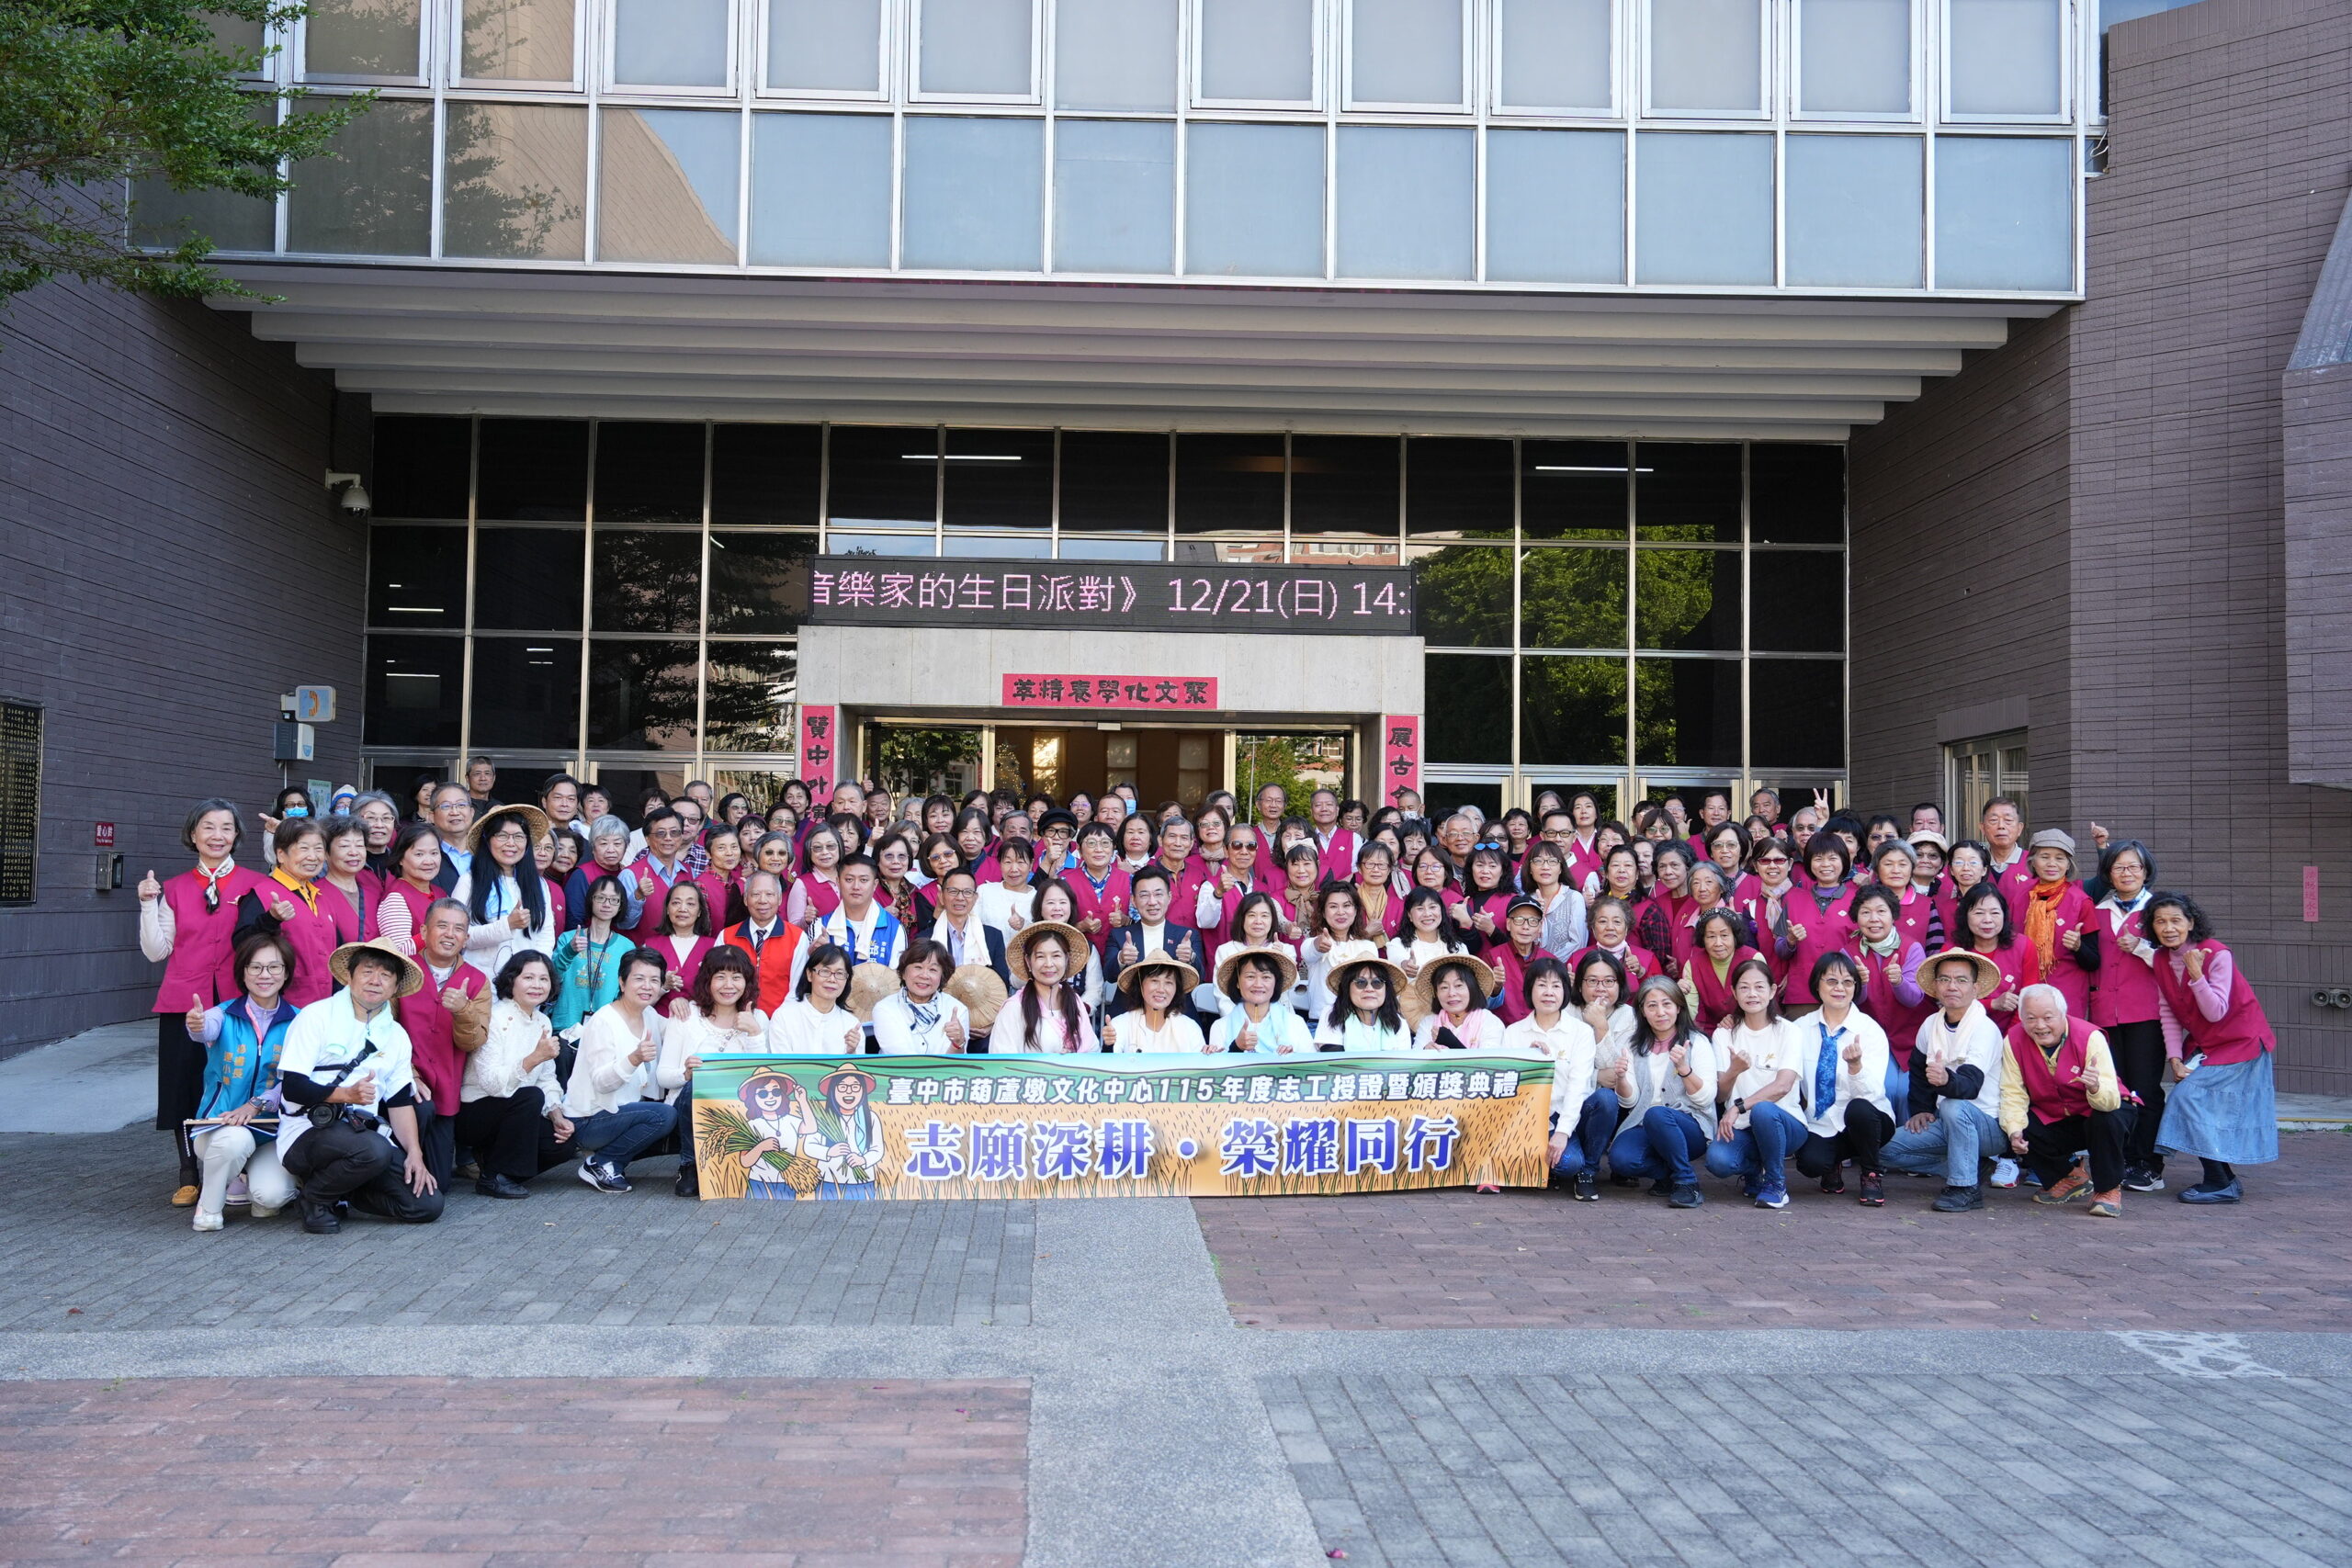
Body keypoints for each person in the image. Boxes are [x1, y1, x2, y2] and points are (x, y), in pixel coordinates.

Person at [139, 797, 268, 1205]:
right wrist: (147, 905)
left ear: (237, 835)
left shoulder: (255, 884)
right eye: (208, 827)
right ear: (193, 835)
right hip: (183, 1001)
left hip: (237, 1002)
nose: (218, 835)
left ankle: (236, 1169)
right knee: (184, 1085)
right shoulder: (174, 888)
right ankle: (187, 1172)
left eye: (227, 828)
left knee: (236, 1080)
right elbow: (156, 951)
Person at [274, 939, 445, 1234]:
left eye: (386, 975)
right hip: (306, 1131)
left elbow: (399, 1101)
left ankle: (343, 1193)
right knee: (374, 1150)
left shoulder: (396, 1035)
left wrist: (415, 1153)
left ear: (395, 988)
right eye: (367, 971)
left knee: (427, 1205)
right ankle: (314, 1199)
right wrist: (346, 1095)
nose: (375, 980)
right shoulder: (315, 1016)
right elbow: (293, 1087)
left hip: (361, 1135)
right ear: (350, 977)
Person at [2147, 893, 2279, 1204]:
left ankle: (2220, 1180)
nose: (2168, 928)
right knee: (2195, 1102)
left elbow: (2216, 1011)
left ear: (2191, 923)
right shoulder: (2160, 959)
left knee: (2188, 1098)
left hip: (2241, 1041)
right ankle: (2224, 1180)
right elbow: (2168, 1012)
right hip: (2208, 1044)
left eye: (2176, 920)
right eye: (2160, 921)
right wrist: (2174, 1058)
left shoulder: (2217, 954)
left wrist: (2196, 974)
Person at [182, 931, 300, 1230]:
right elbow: (204, 1030)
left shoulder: (300, 1022)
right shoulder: (222, 1015)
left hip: (270, 1132)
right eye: (255, 967)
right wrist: (196, 1024)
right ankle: (209, 1209)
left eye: (274, 967)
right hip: (218, 1128)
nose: (265, 975)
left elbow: (299, 1077)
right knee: (236, 1140)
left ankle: (246, 1179)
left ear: (286, 973)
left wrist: (257, 1103)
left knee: (271, 1198)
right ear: (243, 972)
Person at [1876, 950, 2009, 1212]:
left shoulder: (1984, 1029)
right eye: (1945, 979)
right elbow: (1918, 1072)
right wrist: (1921, 1110)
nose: (1952, 986)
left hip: (1989, 1126)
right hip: (1946, 1122)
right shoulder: (1930, 1024)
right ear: (1936, 986)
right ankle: (1970, 1168)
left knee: (1953, 1105)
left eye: (1961, 980)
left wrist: (1946, 1079)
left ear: (1975, 988)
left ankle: (1964, 1188)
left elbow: (1970, 1086)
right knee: (1883, 1149)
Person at [2000, 984, 2137, 1218]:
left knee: (2106, 1118)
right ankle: (2068, 1177)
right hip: (2056, 1114)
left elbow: (2110, 1100)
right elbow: (2013, 1092)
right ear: (2021, 1018)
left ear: (2063, 1014)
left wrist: (2094, 1087)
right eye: (2031, 1018)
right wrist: (2014, 1131)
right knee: (2017, 1123)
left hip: (2101, 1109)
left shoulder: (2090, 1036)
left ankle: (2107, 1189)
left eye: (2048, 1017)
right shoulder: (2013, 1040)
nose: (2040, 1026)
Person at [458, 951, 577, 1199]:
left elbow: (546, 1078)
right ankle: (493, 1179)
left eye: (543, 979)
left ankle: (497, 1169)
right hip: (476, 1111)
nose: (537, 985)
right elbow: (493, 1084)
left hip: (519, 1113)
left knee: (563, 1145)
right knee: (530, 1097)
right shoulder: (494, 1017)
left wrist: (556, 1115)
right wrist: (534, 1058)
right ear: (511, 980)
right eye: (528, 978)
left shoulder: (543, 1022)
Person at [564, 949, 681, 1193]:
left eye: (654, 980)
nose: (647, 986)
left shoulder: (649, 1014)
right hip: (589, 1119)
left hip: (620, 1113)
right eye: (639, 978)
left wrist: (683, 1005)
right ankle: (601, 1163)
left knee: (672, 1112)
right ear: (622, 981)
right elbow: (601, 1082)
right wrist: (634, 1058)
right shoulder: (604, 1021)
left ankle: (610, 1161)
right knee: (663, 1116)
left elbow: (678, 1032)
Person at [2087, 840, 2168, 1190]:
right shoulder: (2096, 910)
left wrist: (2144, 948)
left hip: (2147, 1013)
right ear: (2108, 873)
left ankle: (2147, 1163)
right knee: (2114, 1089)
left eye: (2134, 866)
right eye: (2118, 867)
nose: (2126, 873)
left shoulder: (2159, 910)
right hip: (2104, 1013)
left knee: (2146, 1089)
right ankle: (2119, 1160)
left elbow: (2176, 959)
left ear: (2146, 871)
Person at [660, 945, 769, 1195]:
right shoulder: (686, 1015)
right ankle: (690, 1165)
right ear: (707, 980)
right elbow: (663, 1076)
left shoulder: (758, 1018)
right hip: (690, 1108)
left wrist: (754, 1033)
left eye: (736, 977)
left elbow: (764, 1079)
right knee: (697, 1084)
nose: (728, 985)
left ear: (747, 982)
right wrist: (685, 1074)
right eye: (720, 977)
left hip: (739, 1109)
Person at [1699, 958, 1807, 1209]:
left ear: (1772, 990)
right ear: (1734, 992)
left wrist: (1739, 1107)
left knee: (1763, 1110)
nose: (1752, 994)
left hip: (1785, 1123)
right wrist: (1734, 1071)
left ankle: (1776, 1184)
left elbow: (1783, 1086)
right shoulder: (1724, 1034)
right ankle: (1754, 1171)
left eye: (1759, 987)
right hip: (1741, 1128)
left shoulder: (1789, 1031)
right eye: (1744, 987)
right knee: (1718, 1161)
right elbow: (1720, 1095)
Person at [398, 897, 491, 1188]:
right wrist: (409, 1073)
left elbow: (473, 1042)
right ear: (424, 931)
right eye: (442, 926)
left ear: (466, 938)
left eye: (459, 929)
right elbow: (381, 1031)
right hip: (402, 1086)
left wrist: (463, 1010)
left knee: (441, 1183)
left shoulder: (477, 980)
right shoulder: (401, 971)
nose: (450, 934)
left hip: (446, 1092)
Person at [1505, 957, 1613, 1201]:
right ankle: (1564, 1163)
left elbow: (1578, 1086)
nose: (1549, 992)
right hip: (1533, 1118)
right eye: (1541, 985)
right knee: (1566, 1164)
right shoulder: (1513, 1033)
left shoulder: (1581, 1031)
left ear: (1565, 991)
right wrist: (1529, 1061)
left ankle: (1587, 1172)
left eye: (1556, 986)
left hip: (1572, 1113)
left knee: (1606, 1099)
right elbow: (1509, 1089)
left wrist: (1563, 1132)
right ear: (1529, 989)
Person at [1605, 976, 1719, 1208]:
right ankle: (1667, 1175)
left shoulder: (1697, 1042)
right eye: (1652, 1005)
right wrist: (1621, 1077)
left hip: (1689, 1125)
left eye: (1667, 1004)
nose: (1660, 1012)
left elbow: (1706, 1098)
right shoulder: (1633, 1045)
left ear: (1679, 1007)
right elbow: (1629, 1102)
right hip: (1645, 1123)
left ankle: (1687, 1181)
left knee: (1657, 1114)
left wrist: (1685, 1070)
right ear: (1643, 1011)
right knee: (1621, 1160)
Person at [232, 818, 351, 1008]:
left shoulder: (321, 898)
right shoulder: (261, 894)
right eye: (304, 848)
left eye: (318, 849)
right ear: (281, 854)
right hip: (281, 1008)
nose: (313, 857)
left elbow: (337, 954)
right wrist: (271, 919)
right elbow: (240, 944)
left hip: (324, 1008)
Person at [454, 803, 556, 977]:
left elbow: (545, 934)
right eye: (502, 836)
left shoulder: (539, 884)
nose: (511, 843)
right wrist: (507, 925)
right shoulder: (469, 881)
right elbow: (461, 935)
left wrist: (535, 974)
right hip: (480, 982)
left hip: (524, 984)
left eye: (519, 836)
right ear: (487, 840)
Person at [2014, 829, 2095, 1017]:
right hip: (2027, 986)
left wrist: (2078, 947)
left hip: (2067, 991)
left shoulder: (2081, 901)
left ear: (2068, 864)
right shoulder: (2021, 898)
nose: (2052, 863)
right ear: (2032, 861)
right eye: (2045, 857)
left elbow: (2094, 961)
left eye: (2059, 858)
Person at [993, 922, 1100, 1054]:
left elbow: (1092, 1051)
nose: (1049, 964)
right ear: (1028, 961)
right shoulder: (1014, 1008)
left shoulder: (1075, 1002)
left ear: (1067, 959)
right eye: (1040, 957)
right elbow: (1003, 1061)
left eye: (1056, 956)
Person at [872, 939, 972, 1055]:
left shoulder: (957, 1010)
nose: (924, 975)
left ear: (942, 976)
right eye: (918, 967)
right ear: (903, 973)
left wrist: (957, 1044)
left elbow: (954, 1063)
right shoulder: (885, 1009)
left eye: (933, 969)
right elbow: (900, 1058)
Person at [1677, 907, 1762, 1035]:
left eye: (1724, 935)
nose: (1718, 943)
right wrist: (1676, 997)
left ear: (1735, 936)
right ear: (1703, 938)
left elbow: (1763, 1001)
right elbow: (1690, 1010)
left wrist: (1739, 1018)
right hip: (1711, 1032)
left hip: (1753, 1028)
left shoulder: (1754, 959)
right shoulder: (1693, 965)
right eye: (1711, 936)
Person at [1210, 947, 1312, 1055]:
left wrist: (1294, 1058)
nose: (1258, 984)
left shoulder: (1295, 1024)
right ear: (1237, 983)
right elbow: (1218, 1064)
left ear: (1275, 983)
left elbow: (1312, 1064)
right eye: (1250, 977)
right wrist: (1236, 1047)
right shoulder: (1221, 1027)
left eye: (1266, 977)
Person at [812, 853, 906, 970]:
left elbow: (897, 977)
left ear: (875, 885)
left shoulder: (895, 929)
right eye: (849, 879)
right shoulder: (821, 925)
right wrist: (814, 955)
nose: (856, 886)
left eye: (863, 880)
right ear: (838, 882)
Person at [770, 943, 866, 1055]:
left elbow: (856, 1065)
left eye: (840, 973)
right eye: (825, 971)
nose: (832, 979)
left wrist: (851, 1053)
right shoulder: (784, 1017)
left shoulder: (852, 1025)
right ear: (809, 974)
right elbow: (781, 1064)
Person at [1955, 882, 2037, 1012]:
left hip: (2017, 1022)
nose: (1988, 920)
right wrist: (1992, 1004)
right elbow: (1949, 1002)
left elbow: (2030, 999)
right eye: (1979, 913)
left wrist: (2015, 1027)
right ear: (1965, 916)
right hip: (1962, 1023)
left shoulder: (2023, 945)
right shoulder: (1953, 950)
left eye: (1995, 913)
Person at [925, 866, 1012, 987]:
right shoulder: (926, 938)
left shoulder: (993, 936)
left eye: (967, 892)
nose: (960, 898)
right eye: (953, 891)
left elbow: (1001, 983)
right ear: (941, 896)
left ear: (975, 898)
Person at [1103, 957, 1210, 1054]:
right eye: (1154, 981)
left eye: (1168, 982)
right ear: (1140, 984)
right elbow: (1110, 1065)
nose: (1161, 989)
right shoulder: (1120, 1024)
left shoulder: (1190, 1028)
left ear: (1176, 988)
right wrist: (1109, 1045)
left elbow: (1199, 1066)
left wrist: (1208, 1055)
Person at [1314, 956, 1414, 1053]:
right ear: (1347, 988)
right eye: (1361, 982)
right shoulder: (1333, 1014)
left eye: (1377, 982)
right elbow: (1334, 1061)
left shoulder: (1398, 1022)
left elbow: (1402, 1063)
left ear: (1386, 990)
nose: (1369, 989)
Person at [647, 879, 718, 1008]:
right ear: (667, 909)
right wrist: (664, 986)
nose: (683, 909)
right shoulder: (649, 946)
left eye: (690, 904)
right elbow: (637, 1001)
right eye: (676, 903)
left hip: (701, 1018)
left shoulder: (715, 947)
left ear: (700, 912)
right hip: (658, 1018)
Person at [1411, 956, 1504, 1052]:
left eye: (1458, 985)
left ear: (1472, 988)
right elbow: (1415, 1058)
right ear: (1436, 993)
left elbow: (1487, 1061)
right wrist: (1425, 1052)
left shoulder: (1489, 1022)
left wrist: (1451, 1042)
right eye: (1444, 987)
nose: (1451, 993)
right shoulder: (1428, 1023)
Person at [317, 815, 382, 944]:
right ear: (326, 853)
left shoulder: (374, 892)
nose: (354, 852)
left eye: (359, 845)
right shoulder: (316, 895)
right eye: (344, 846)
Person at [425, 783, 476, 891]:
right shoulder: (424, 857)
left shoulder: (487, 851)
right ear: (431, 816)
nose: (455, 812)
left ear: (472, 812)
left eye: (461, 805)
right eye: (446, 806)